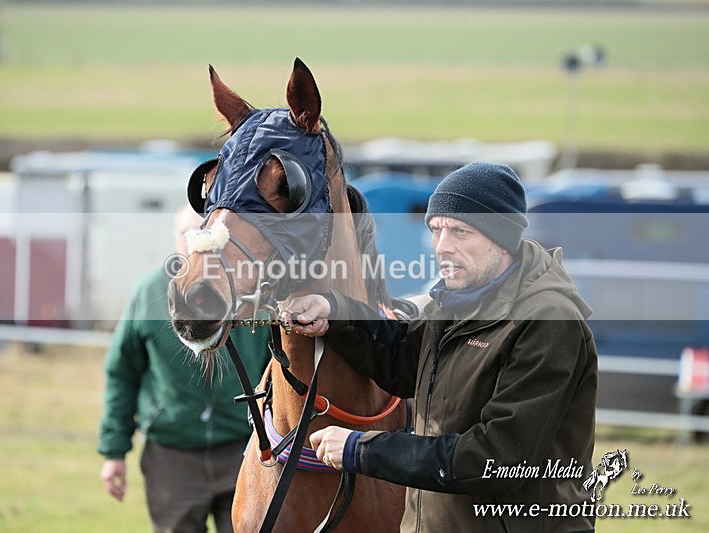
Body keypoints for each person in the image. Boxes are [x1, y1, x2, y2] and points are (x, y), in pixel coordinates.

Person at [284, 162, 598, 532]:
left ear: (502, 238)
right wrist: (335, 312)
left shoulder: (548, 321)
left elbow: (495, 458)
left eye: (460, 231)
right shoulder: (457, 300)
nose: (442, 247)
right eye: (436, 230)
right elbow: (402, 365)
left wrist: (361, 449)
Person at [98, 205, 271, 533]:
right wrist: (113, 450)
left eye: (205, 236)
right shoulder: (149, 292)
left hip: (242, 448)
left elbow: (277, 367)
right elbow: (122, 371)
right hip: (172, 454)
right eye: (187, 235)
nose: (197, 246)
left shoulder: (248, 293)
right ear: (175, 237)